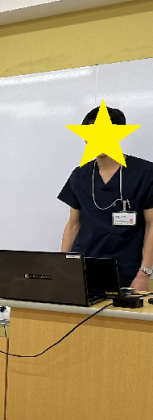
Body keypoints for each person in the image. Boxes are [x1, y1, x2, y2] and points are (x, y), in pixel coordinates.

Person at [59, 105, 153, 290]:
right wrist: (62, 267)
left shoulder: (145, 173)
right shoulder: (79, 175)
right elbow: (73, 224)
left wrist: (145, 273)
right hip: (82, 269)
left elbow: (152, 225)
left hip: (125, 271)